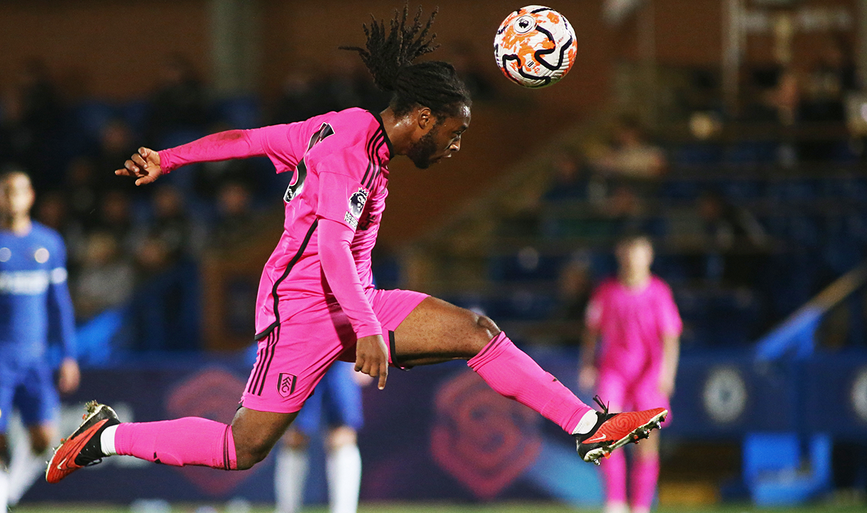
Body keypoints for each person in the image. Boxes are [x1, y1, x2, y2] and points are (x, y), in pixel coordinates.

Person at [46, 5, 666, 485]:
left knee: (476, 331)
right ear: (422, 118)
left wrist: (171, 158)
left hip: (353, 298)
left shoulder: (344, 129)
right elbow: (332, 250)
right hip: (303, 311)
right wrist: (368, 330)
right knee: (243, 447)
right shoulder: (348, 151)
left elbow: (248, 138)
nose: (453, 147)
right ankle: (106, 438)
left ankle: (589, 426)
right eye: (453, 134)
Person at [0, 170, 80, 512]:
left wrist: (69, 355)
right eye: (5, 191)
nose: (13, 198)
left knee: (45, 439)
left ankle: (4, 494)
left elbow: (60, 304)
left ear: (31, 196)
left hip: (37, 361)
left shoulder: (48, 244)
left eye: (19, 191)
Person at [578, 235, 682, 513]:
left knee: (646, 441)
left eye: (638, 253)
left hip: (649, 375)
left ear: (648, 257)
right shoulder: (606, 292)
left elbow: (670, 337)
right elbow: (591, 331)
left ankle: (641, 505)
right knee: (608, 433)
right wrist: (588, 364)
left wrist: (667, 374)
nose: (632, 259)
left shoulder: (659, 293)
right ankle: (614, 503)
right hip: (614, 372)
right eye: (628, 253)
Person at [276, 362, 367, 513]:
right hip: (304, 358)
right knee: (294, 434)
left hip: (341, 358)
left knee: (343, 433)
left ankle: (344, 510)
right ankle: (287, 509)